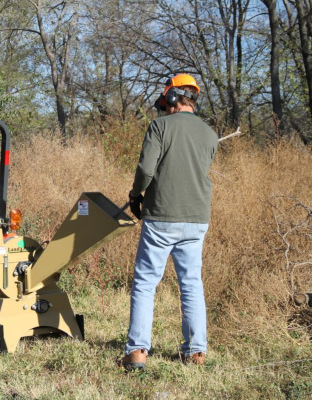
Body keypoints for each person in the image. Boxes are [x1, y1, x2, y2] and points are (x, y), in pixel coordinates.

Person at [120, 73, 218, 371]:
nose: (163, 104)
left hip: (162, 216)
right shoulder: (210, 134)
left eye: (165, 98)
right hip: (197, 218)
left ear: (173, 97)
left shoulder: (159, 126)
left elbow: (146, 169)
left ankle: (137, 351)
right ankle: (196, 352)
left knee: (146, 284)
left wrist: (136, 194)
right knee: (191, 285)